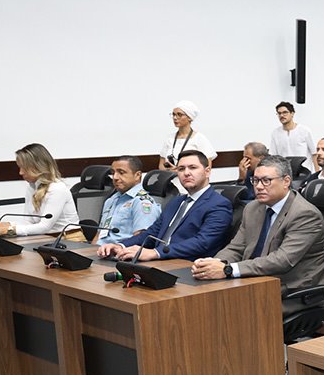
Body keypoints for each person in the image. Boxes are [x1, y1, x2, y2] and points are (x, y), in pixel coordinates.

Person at [191, 155, 324, 314]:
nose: (259, 186)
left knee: (225, 310)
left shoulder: (304, 214)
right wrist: (213, 263)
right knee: (202, 301)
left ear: (286, 181)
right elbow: (236, 248)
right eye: (255, 180)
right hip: (257, 280)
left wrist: (228, 269)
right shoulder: (253, 208)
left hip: (293, 290)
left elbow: (282, 261)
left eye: (266, 181)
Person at [98, 150, 230, 261]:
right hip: (160, 261)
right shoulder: (177, 201)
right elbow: (152, 233)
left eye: (193, 168)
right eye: (181, 169)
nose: (186, 173)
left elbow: (203, 243)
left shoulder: (219, 204)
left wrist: (155, 252)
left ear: (207, 171)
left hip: (186, 265)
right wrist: (121, 246)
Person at [0, 143, 79, 237]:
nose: (20, 172)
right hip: (46, 238)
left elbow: (45, 226)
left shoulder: (57, 189)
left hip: (69, 239)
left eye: (24, 168)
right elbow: (28, 222)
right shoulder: (32, 187)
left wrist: (8, 230)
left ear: (38, 167)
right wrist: (3, 225)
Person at [97, 155, 162, 244]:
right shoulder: (111, 200)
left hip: (121, 250)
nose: (115, 177)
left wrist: (119, 248)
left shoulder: (142, 202)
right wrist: (90, 250)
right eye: (113, 173)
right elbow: (99, 235)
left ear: (137, 175)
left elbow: (141, 241)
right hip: (99, 250)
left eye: (121, 172)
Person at [159, 100, 216, 170]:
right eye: (173, 114)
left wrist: (179, 171)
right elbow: (161, 165)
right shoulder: (170, 138)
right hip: (169, 176)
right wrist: (170, 171)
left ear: (189, 117)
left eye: (179, 114)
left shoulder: (199, 138)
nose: (175, 118)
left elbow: (207, 167)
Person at [269, 101, 315, 170]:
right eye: (279, 113)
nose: (282, 115)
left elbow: (314, 153)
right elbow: (273, 156)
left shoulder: (304, 130)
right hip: (285, 171)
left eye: (285, 112)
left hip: (304, 171)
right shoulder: (275, 133)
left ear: (292, 113)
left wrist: (316, 173)